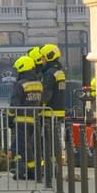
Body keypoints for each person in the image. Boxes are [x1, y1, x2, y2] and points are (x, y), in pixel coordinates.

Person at [9, 54, 43, 180]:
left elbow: (14, 104)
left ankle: (30, 170)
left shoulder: (20, 84)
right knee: (28, 146)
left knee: (21, 146)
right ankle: (24, 168)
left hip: (21, 120)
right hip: (34, 120)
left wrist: (9, 118)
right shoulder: (38, 84)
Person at [38, 43, 68, 184]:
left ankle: (49, 170)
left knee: (48, 141)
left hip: (49, 112)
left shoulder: (50, 74)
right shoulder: (59, 71)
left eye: (43, 58)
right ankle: (56, 168)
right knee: (56, 141)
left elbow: (47, 94)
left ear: (49, 57)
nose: (42, 61)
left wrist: (39, 107)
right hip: (59, 111)